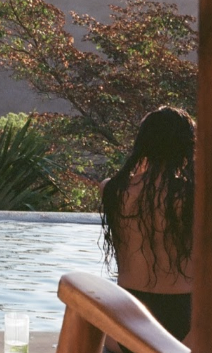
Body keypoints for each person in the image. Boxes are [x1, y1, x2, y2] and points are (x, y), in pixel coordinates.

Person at [101, 107, 195, 352]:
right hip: (184, 320)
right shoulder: (195, 197)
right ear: (187, 146)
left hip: (128, 319)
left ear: (143, 144)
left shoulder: (112, 191)